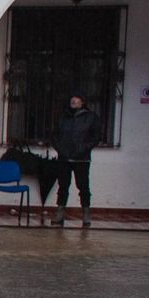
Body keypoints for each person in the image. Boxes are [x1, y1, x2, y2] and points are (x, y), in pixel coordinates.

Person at [50, 92, 101, 226]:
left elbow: (96, 137)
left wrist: (84, 148)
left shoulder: (91, 117)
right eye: (72, 98)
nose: (73, 100)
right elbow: (54, 135)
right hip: (64, 158)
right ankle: (60, 214)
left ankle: (86, 214)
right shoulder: (62, 116)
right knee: (63, 186)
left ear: (83, 102)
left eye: (77, 99)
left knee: (83, 187)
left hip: (81, 159)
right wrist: (60, 149)